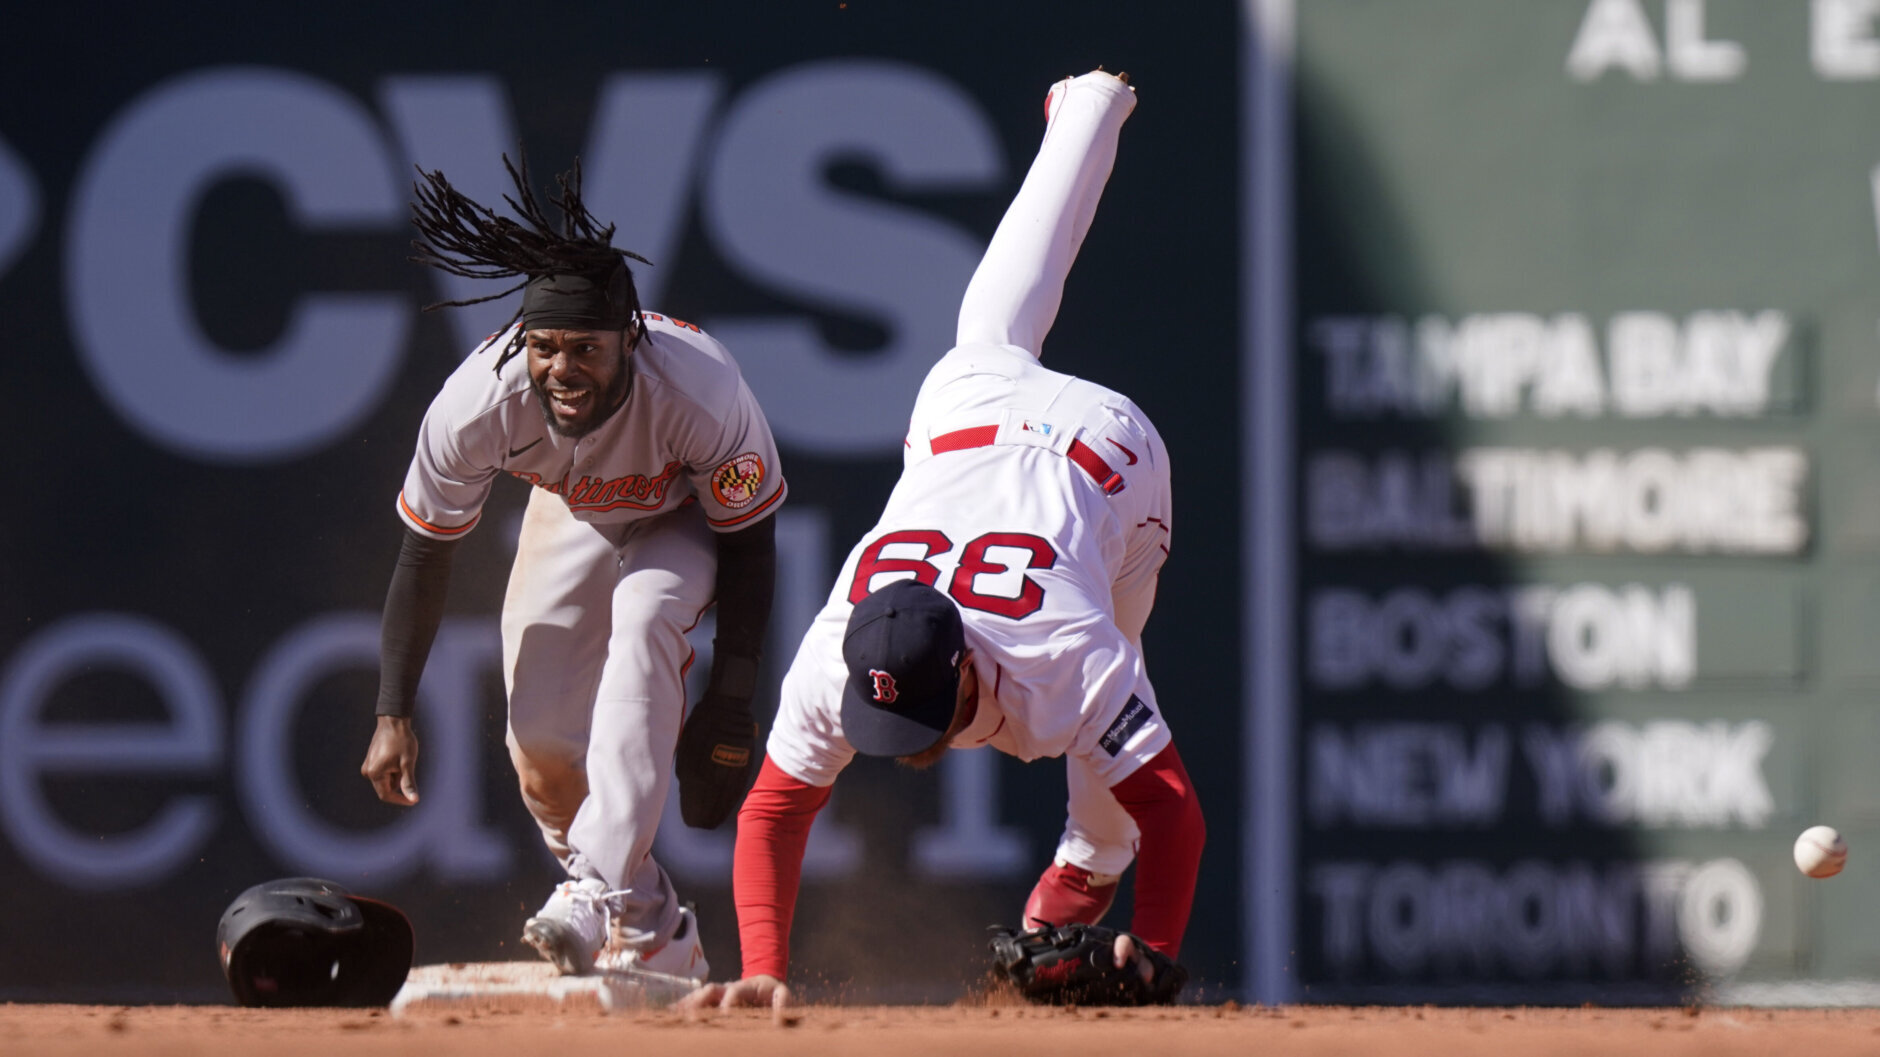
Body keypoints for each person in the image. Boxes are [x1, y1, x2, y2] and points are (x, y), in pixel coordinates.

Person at [686, 69, 1204, 1011]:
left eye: (934, 707)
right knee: (982, 340)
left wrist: (1160, 948)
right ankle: (1087, 110)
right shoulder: (836, 650)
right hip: (965, 423)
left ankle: (1077, 878)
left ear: (969, 661)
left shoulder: (1064, 651)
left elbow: (1172, 809)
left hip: (1107, 458)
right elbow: (772, 810)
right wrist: (762, 968)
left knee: (1117, 741)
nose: (910, 740)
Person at [358, 157, 785, 983]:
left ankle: (591, 885)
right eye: (545, 346)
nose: (562, 367)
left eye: (586, 347)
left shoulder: (699, 388)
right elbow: (426, 551)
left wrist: (732, 696)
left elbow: (750, 540)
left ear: (630, 338)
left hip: (679, 512)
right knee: (545, 750)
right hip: (575, 507)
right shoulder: (477, 404)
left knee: (646, 618)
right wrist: (392, 709)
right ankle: (653, 929)